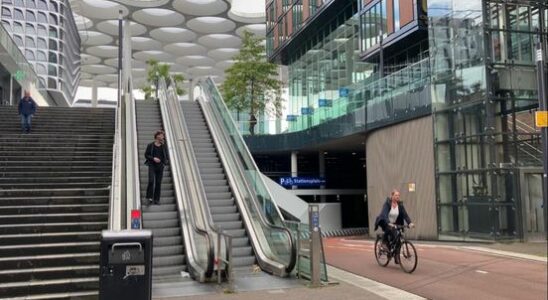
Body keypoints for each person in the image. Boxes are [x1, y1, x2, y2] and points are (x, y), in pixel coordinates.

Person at [144, 130, 168, 205]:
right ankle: (149, 198)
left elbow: (166, 156)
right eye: (161, 135)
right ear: (157, 136)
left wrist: (164, 163)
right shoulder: (150, 145)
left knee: (158, 183)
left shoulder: (164, 146)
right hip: (152, 165)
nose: (163, 137)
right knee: (151, 181)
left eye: (163, 136)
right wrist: (153, 158)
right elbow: (146, 155)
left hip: (160, 166)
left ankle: (156, 199)